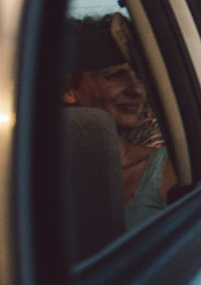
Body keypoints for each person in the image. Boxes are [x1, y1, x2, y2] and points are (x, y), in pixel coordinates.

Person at [63, 14, 177, 230]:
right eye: (115, 76)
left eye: (140, 77)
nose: (135, 89)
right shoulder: (36, 175)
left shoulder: (167, 169)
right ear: (69, 89)